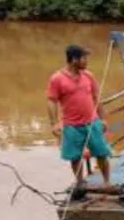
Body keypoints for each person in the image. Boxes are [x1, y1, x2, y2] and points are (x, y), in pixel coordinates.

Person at [46, 45, 112, 188]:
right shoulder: (57, 79)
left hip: (92, 123)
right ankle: (80, 182)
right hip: (71, 126)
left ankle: (107, 182)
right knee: (75, 157)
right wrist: (54, 123)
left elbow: (96, 98)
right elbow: (51, 101)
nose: (86, 61)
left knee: (102, 152)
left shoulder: (88, 76)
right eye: (84, 58)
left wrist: (103, 118)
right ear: (74, 60)